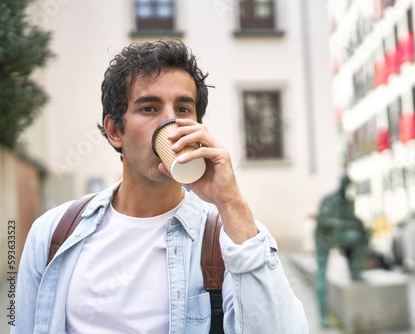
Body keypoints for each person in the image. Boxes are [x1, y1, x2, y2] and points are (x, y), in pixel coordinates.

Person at [14, 40, 308, 334]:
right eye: (149, 108)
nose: (170, 122)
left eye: (182, 108)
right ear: (116, 131)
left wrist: (230, 203)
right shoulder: (53, 234)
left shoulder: (230, 237)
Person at [314, 173, 368, 328]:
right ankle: (323, 315)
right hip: (324, 239)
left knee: (361, 237)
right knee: (321, 274)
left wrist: (360, 224)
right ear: (341, 184)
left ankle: (355, 271)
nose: (347, 189)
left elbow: (352, 219)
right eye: (345, 185)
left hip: (340, 236)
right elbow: (324, 221)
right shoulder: (329, 199)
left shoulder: (349, 202)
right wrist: (346, 224)